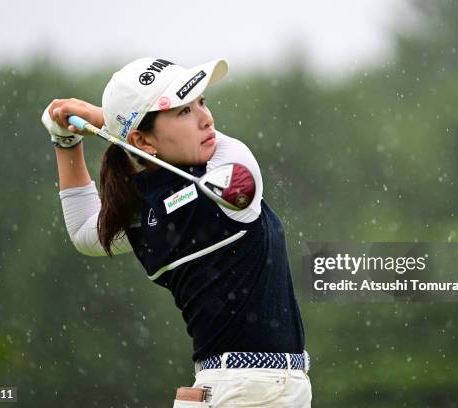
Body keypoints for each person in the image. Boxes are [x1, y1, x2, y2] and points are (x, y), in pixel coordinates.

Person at [41, 57, 311, 407]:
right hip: (254, 390)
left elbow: (83, 230)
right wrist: (105, 119)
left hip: (228, 387)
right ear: (143, 140)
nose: (206, 118)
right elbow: (233, 158)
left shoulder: (146, 206)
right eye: (183, 111)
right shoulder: (229, 183)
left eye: (201, 102)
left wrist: (66, 142)